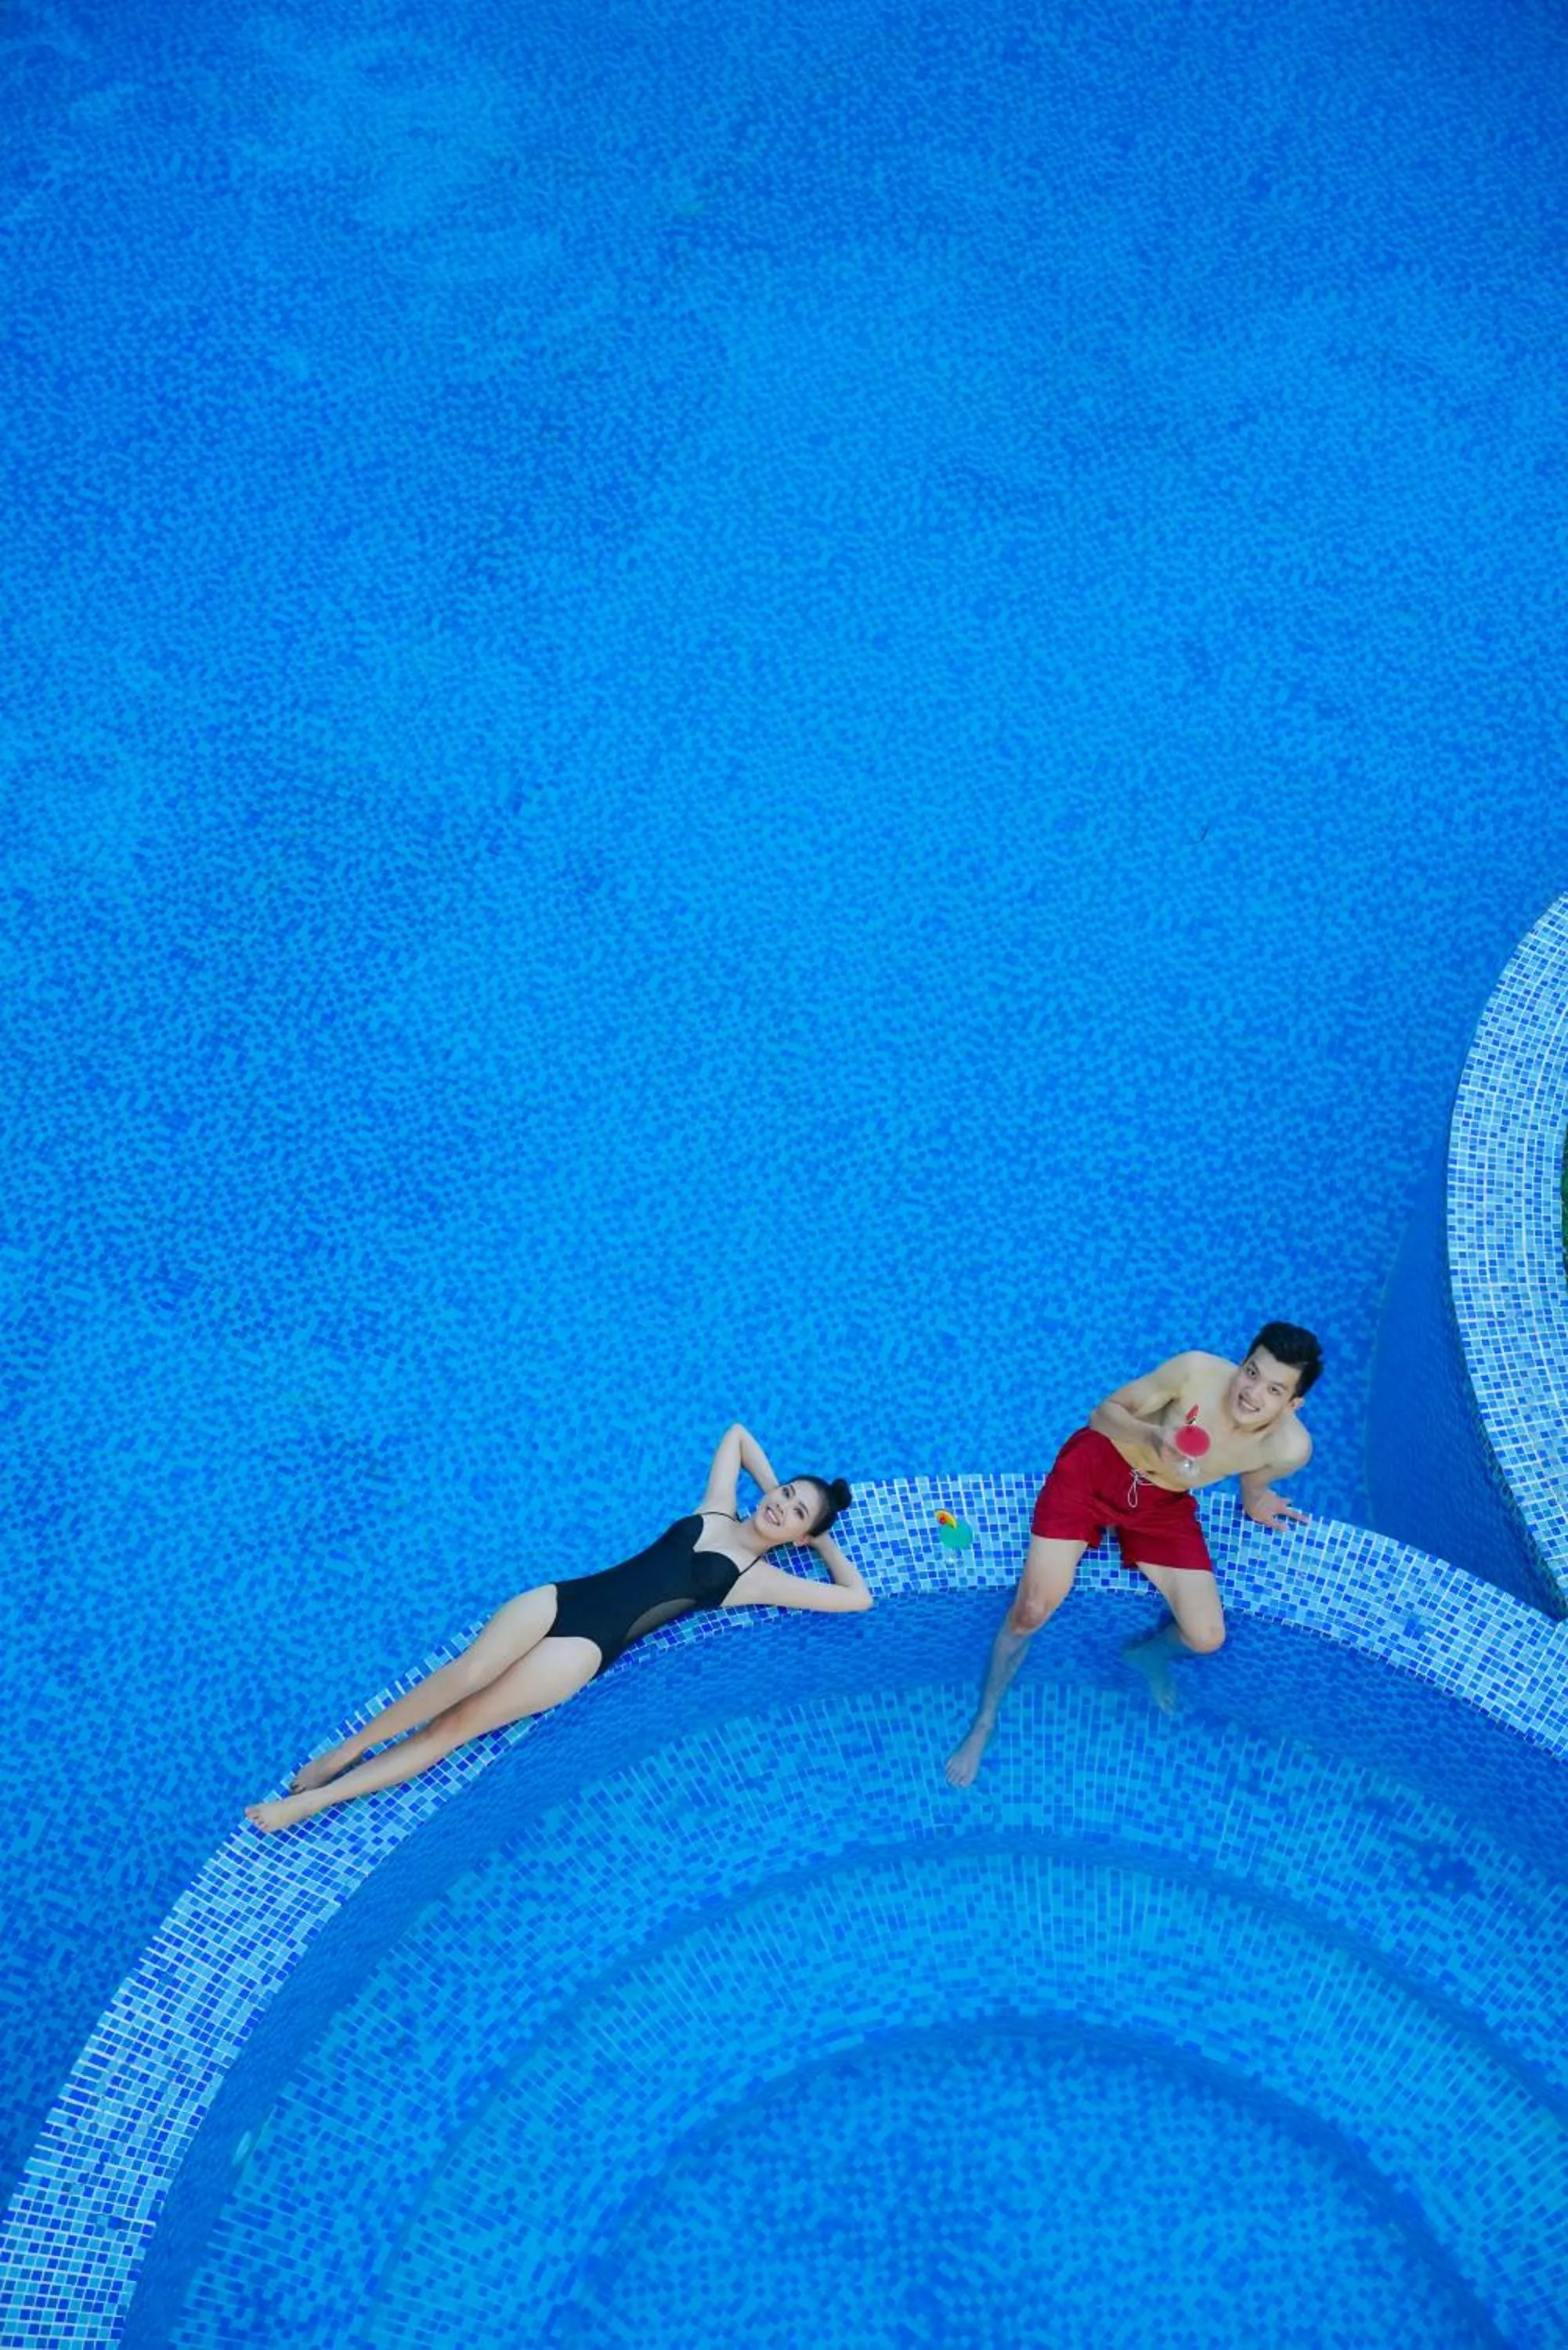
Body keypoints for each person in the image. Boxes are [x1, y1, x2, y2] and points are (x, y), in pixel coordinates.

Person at [246, 1424, 869, 1832]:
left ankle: (308, 1805)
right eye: (784, 1493)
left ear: (799, 1535)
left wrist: (823, 1541)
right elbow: (736, 1435)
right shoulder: (714, 1509)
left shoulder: (758, 1578)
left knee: (453, 1727)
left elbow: (857, 1600)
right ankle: (346, 1752)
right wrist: (785, 1495)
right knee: (466, 1671)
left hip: (582, 1649)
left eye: (793, 1514)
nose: (778, 1506)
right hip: (560, 1599)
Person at [945, 1323, 1321, 1783]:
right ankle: (985, 1720)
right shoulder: (1195, 1371)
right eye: (1250, 1372)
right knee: (1031, 1609)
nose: (1251, 1392)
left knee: (1206, 1636)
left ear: (1292, 1404)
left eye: (1273, 1389)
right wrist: (1152, 1438)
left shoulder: (1289, 1448)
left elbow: (1253, 1477)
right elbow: (1102, 1415)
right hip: (1097, 1470)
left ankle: (1148, 1655)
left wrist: (1257, 1497)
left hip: (1162, 1505)